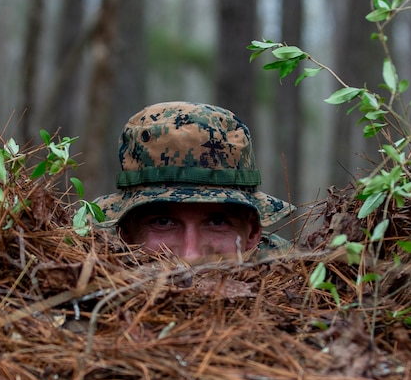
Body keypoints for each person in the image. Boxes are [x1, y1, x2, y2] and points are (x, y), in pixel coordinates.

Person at [94, 102, 294, 261]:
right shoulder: (86, 277)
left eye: (217, 222)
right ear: (125, 232)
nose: (191, 256)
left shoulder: (297, 283)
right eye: (163, 222)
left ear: (252, 232)